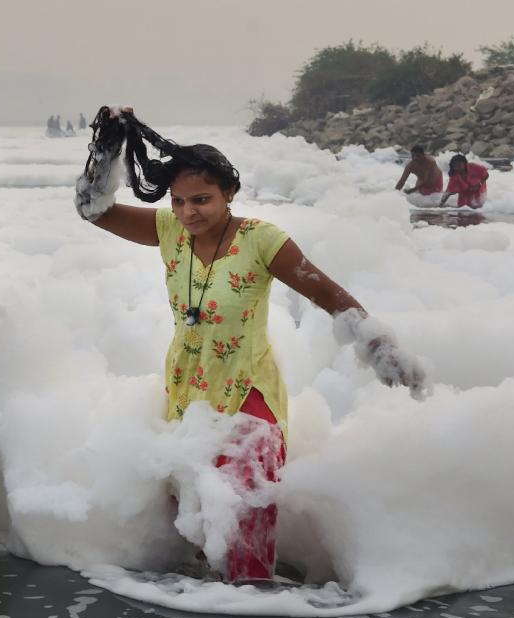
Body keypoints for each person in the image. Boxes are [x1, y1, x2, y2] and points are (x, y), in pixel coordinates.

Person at [73, 106, 427, 583]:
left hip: (247, 388)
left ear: (230, 194)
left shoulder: (262, 240)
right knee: (197, 517)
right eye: (178, 201)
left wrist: (381, 347)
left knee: (245, 507)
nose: (188, 212)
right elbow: (94, 210)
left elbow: (325, 292)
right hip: (186, 392)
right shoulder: (168, 231)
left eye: (201, 200)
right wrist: (108, 146)